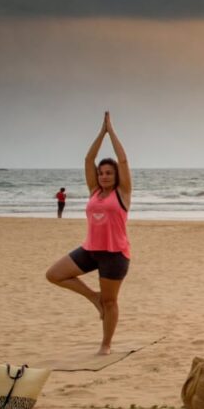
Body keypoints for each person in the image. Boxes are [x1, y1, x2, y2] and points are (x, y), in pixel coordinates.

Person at [45, 112, 131, 355]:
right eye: (101, 172)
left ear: (116, 177)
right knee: (54, 274)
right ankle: (93, 297)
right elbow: (88, 159)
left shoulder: (122, 193)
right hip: (90, 250)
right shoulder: (94, 191)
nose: (104, 176)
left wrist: (111, 132)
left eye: (108, 173)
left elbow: (123, 161)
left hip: (115, 254)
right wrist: (100, 133)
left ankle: (106, 344)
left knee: (111, 301)